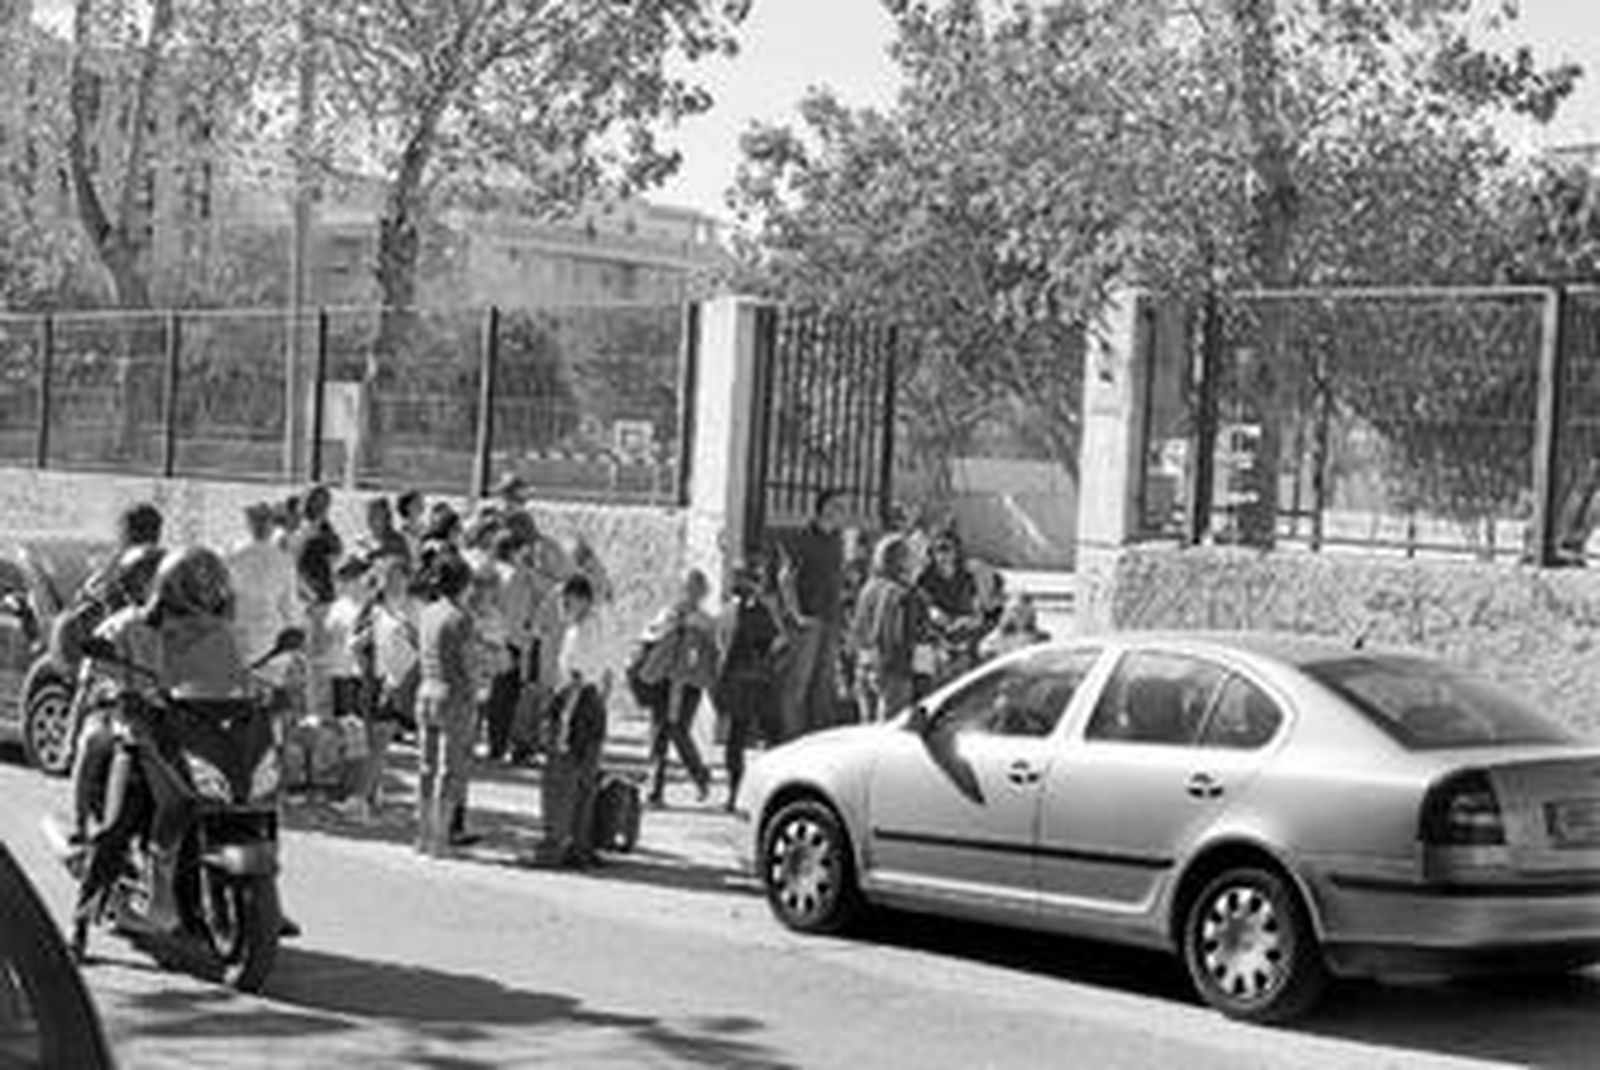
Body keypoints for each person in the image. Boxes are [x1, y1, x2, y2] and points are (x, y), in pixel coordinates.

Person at [78, 547, 252, 936]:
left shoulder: (214, 632)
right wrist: (117, 692)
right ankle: (83, 918)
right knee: (116, 828)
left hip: (191, 736)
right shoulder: (125, 627)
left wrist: (262, 697)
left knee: (241, 799)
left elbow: (234, 678)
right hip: (140, 737)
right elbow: (99, 676)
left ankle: (253, 892)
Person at [67, 503, 167, 844]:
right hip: (115, 680)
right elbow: (80, 618)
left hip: (166, 696)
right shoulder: (111, 573)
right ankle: (80, 823)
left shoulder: (172, 573)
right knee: (93, 741)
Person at [538, 575, 610, 868]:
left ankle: (561, 844)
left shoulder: (581, 630)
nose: (562, 605)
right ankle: (580, 845)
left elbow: (577, 678)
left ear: (581, 599)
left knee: (565, 778)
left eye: (566, 599)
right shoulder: (595, 625)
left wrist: (565, 722)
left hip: (576, 703)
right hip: (591, 704)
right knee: (584, 780)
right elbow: (606, 676)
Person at [413, 552, 480, 858]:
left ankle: (422, 835)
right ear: (464, 584)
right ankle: (440, 839)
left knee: (426, 768)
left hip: (426, 690)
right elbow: (467, 663)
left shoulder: (427, 612)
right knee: (451, 771)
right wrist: (479, 685)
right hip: (454, 695)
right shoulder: (461, 618)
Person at [342, 554, 417, 822]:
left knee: (379, 744)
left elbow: (419, 645)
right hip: (375, 682)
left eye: (400, 577)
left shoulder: (411, 609)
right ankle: (364, 798)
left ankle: (367, 798)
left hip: (400, 682)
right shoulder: (374, 609)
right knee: (377, 744)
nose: (396, 582)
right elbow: (352, 643)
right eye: (390, 577)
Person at [636, 570, 718, 807]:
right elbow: (650, 638)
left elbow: (709, 656)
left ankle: (699, 775)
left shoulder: (704, 622)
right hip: (665, 679)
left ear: (703, 593)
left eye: (696, 588)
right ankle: (655, 791)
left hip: (688, 685)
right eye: (687, 587)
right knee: (660, 732)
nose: (691, 593)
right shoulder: (669, 613)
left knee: (678, 731)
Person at [772, 489, 849, 739]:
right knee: (797, 686)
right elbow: (785, 578)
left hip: (830, 620)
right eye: (838, 506)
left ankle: (815, 739)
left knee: (823, 684)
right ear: (824, 508)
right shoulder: (802, 538)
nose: (843, 512)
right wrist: (795, 615)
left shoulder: (837, 539)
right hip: (807, 622)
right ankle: (790, 739)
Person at [713, 556, 788, 809]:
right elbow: (778, 644)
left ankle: (735, 794)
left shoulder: (726, 610)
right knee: (772, 737)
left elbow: (721, 649)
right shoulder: (755, 611)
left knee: (737, 739)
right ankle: (770, 792)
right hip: (757, 683)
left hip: (737, 682)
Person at [226, 502, 302, 706]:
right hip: (272, 642)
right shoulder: (284, 560)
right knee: (268, 701)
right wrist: (295, 636)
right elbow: (290, 606)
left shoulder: (232, 555)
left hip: (240, 639)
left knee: (241, 699)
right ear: (270, 525)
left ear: (248, 524)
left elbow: (225, 598)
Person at [851, 534, 927, 723]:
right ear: (902, 560)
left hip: (865, 665)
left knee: (867, 729)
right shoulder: (904, 594)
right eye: (912, 556)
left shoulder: (867, 588)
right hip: (893, 670)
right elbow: (904, 637)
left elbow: (858, 631)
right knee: (889, 736)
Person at [483, 530, 539, 764]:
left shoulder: (491, 571)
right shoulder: (518, 576)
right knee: (509, 696)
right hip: (513, 642)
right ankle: (507, 744)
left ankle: (496, 744)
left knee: (497, 696)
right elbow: (517, 615)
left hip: (494, 639)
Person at [293, 484, 343, 719]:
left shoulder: (303, 534)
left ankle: (313, 711)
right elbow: (337, 556)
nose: (326, 507)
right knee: (318, 663)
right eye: (323, 503)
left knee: (314, 662)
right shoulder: (314, 535)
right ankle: (318, 714)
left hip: (311, 603)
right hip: (318, 604)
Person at [915, 529, 988, 689]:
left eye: (947, 549)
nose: (943, 555)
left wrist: (969, 620)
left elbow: (978, 611)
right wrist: (933, 613)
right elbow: (924, 607)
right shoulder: (925, 579)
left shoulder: (967, 577)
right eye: (938, 550)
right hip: (936, 643)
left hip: (963, 639)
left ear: (956, 552)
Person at [980, 593, 1053, 661]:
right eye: (1014, 610)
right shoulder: (998, 636)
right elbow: (984, 650)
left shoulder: (1041, 637)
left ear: (1031, 613)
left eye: (1021, 611)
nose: (1016, 615)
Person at [358, 495, 411, 569]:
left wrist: (379, 554)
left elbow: (404, 562)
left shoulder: (397, 541)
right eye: (371, 515)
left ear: (387, 518)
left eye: (377, 515)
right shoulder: (363, 540)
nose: (372, 519)